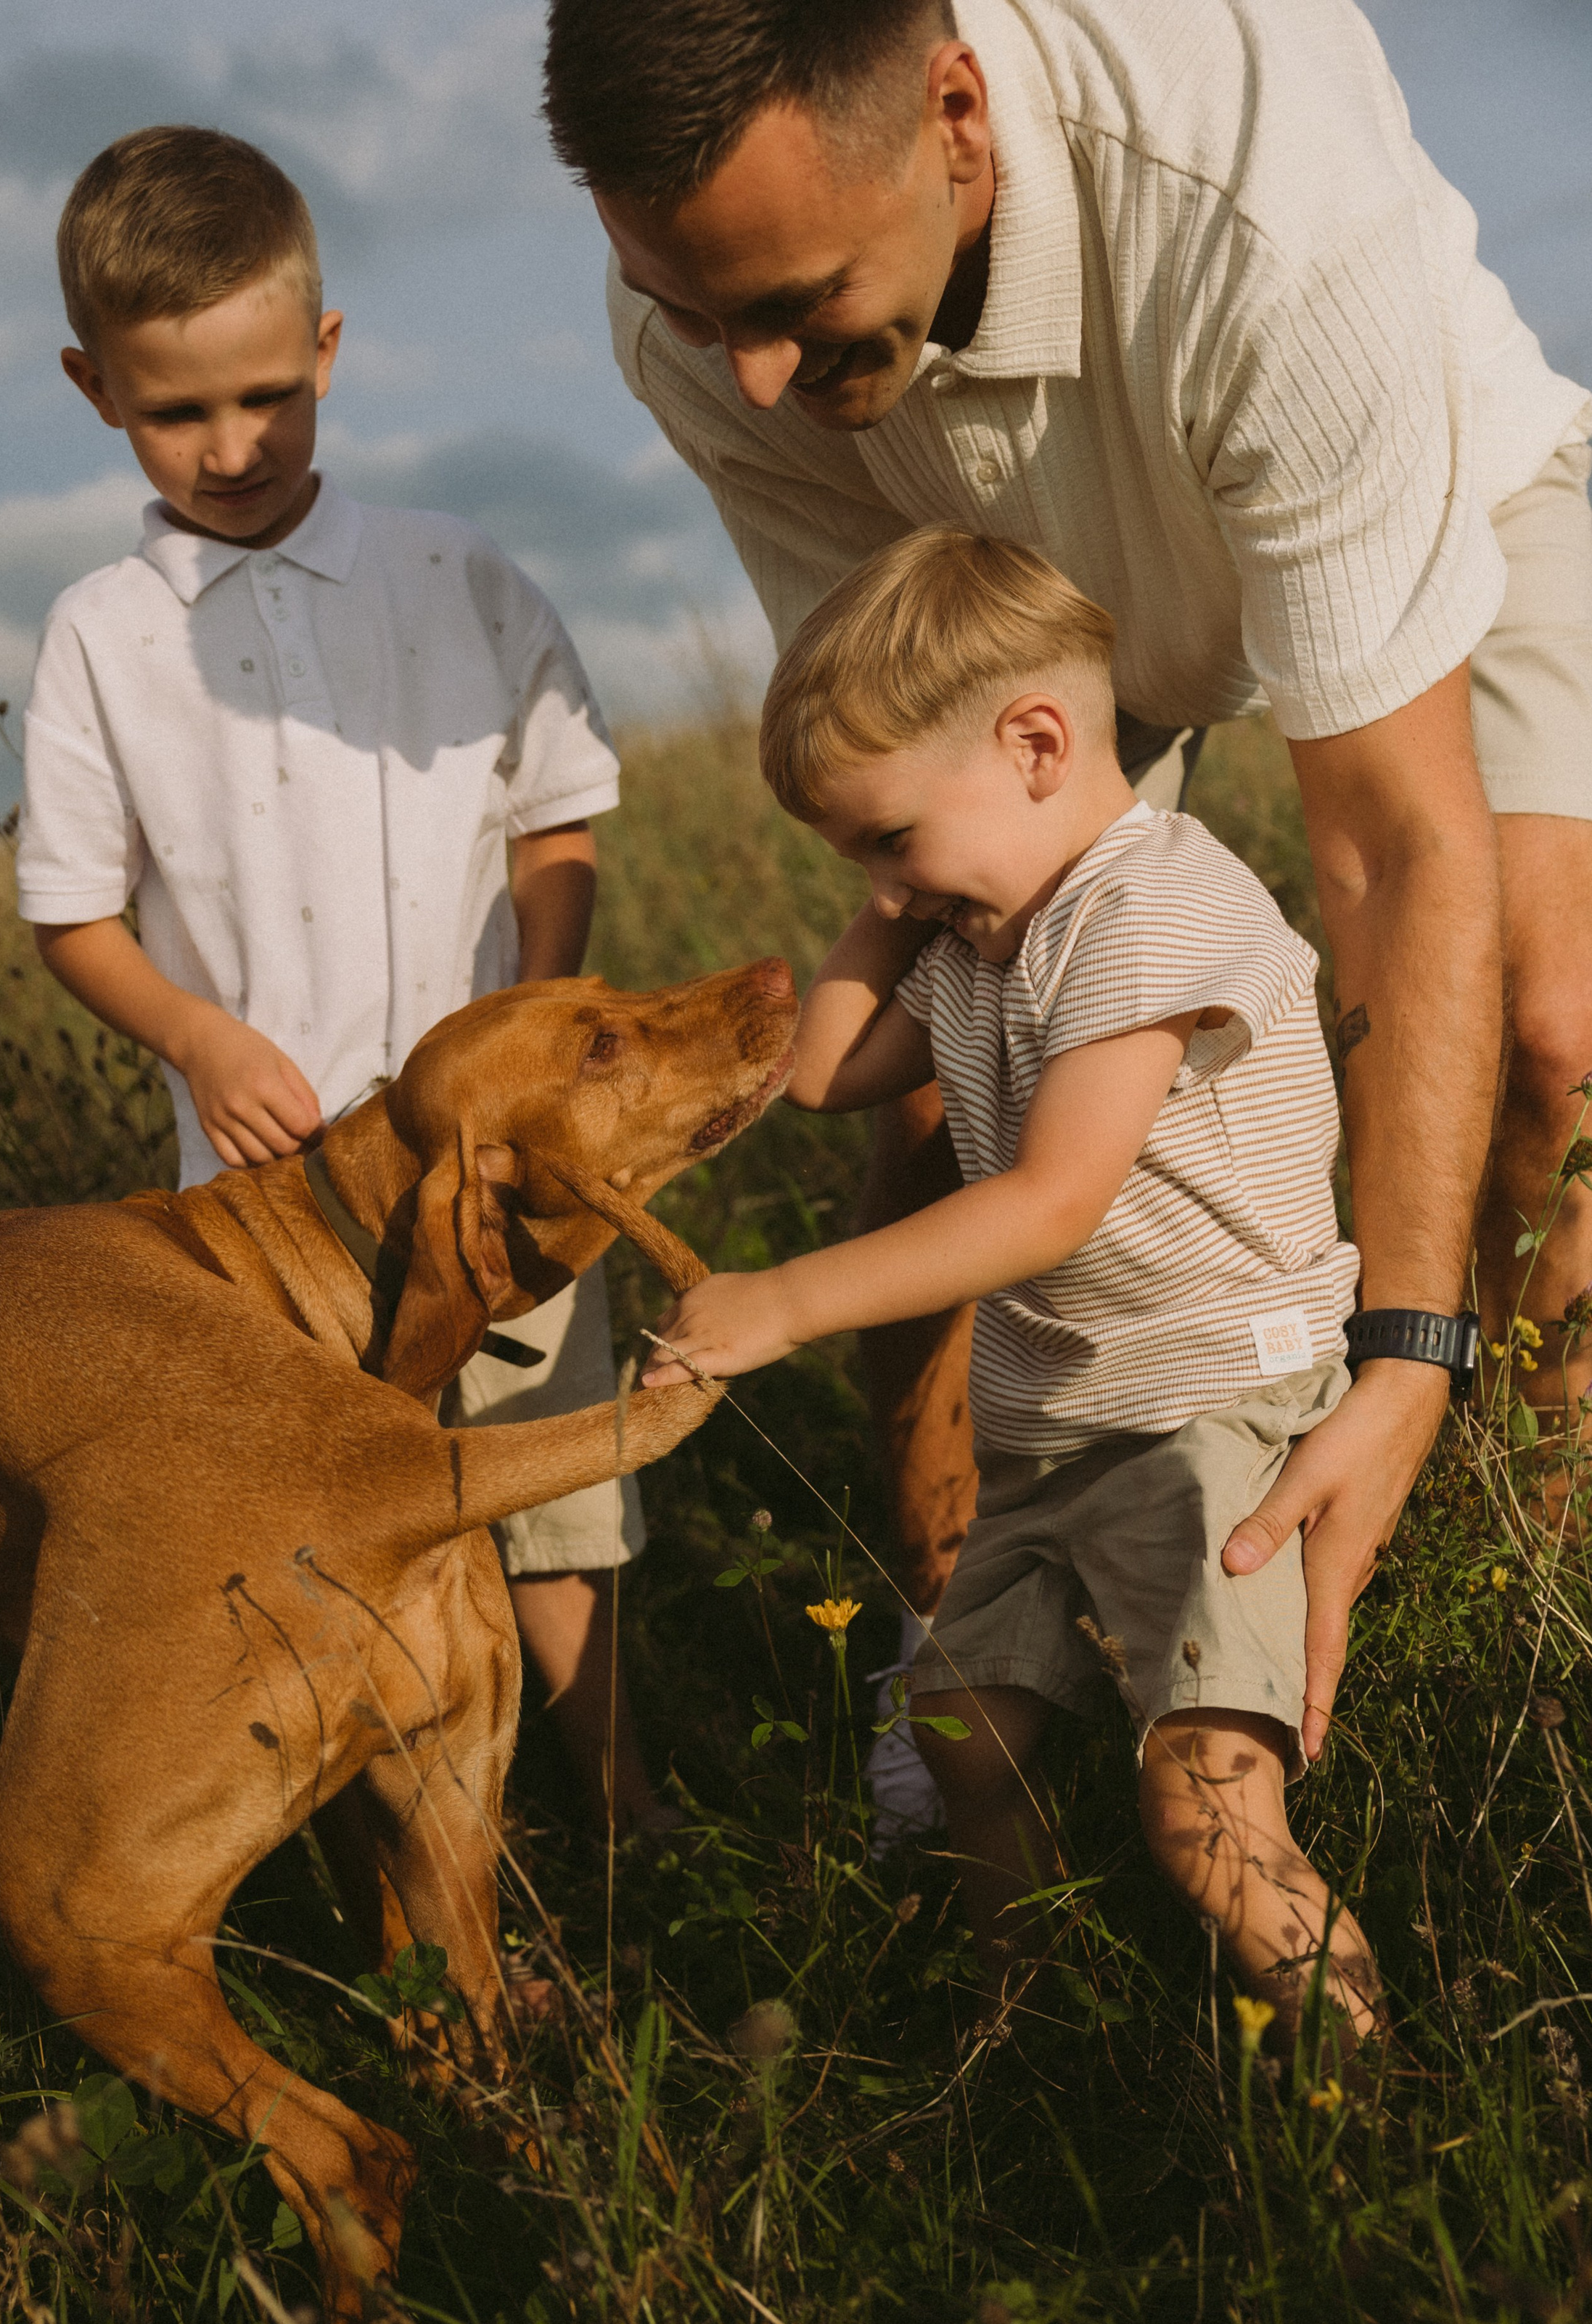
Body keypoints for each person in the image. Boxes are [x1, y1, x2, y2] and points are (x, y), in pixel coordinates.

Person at [544, 0, 1592, 1756]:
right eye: (688, 308)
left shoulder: (1260, 197)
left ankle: (1468, 1551)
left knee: (1544, 1039)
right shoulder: (718, 323)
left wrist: (1401, 1336)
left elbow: (1386, 845)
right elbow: (888, 746)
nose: (744, 376)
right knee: (947, 1096)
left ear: (954, 115)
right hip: (1027, 638)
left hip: (1431, 502)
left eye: (793, 304)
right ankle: (964, 1636)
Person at [15, 124, 675, 1836]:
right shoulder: (102, 632)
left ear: (324, 348)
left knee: (551, 1498)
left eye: (264, 396)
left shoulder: (451, 570)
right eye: (177, 412)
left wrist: (543, 1016)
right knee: (318, 1518)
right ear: (96, 390)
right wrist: (194, 1035)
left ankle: (610, 1821)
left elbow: (557, 817)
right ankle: (391, 1857)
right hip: (266, 1204)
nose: (231, 447)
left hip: (506, 1166)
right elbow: (73, 910)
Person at [646, 528, 1381, 2037]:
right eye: (856, 858)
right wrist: (888, 897)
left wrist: (783, 1298)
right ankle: (1028, 2011)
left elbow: (1048, 1204)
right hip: (1056, 1432)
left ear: (1037, 744)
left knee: (1204, 1817)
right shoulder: (984, 933)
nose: (888, 889)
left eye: (890, 841)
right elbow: (828, 1073)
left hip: (1206, 1416)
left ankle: (1367, 2102)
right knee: (960, 1737)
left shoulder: (1146, 911)